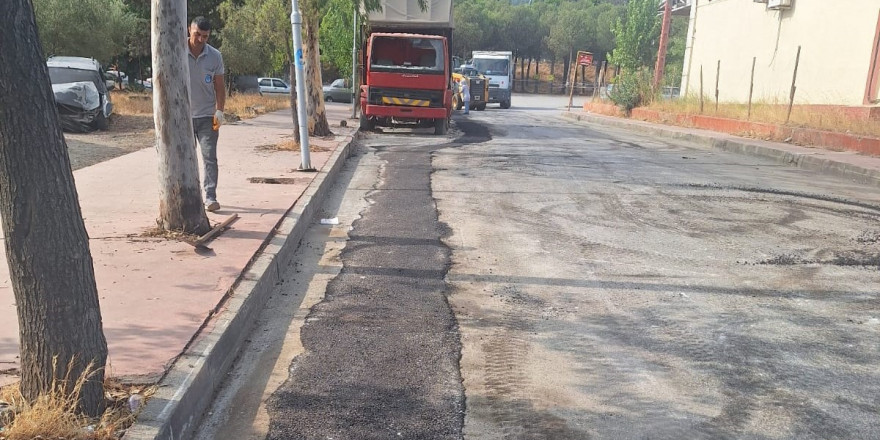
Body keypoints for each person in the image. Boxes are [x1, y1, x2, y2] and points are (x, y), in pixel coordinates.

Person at [187, 16, 226, 212]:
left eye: (205, 36)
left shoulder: (215, 56)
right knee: (186, 157)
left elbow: (220, 86)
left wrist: (219, 111)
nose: (201, 39)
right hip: (183, 117)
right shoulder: (177, 50)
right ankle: (188, 196)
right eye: (197, 35)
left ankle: (210, 197)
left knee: (209, 156)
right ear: (189, 30)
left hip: (206, 116)